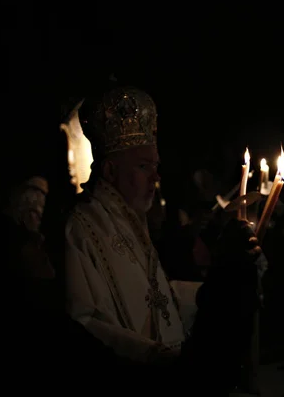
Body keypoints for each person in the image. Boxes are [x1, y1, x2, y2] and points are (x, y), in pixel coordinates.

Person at [64, 86, 262, 393]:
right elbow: (86, 323)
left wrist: (222, 288)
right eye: (143, 167)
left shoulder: (130, 220)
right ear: (109, 170)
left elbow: (159, 298)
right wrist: (162, 359)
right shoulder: (82, 227)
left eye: (155, 167)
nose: (155, 178)